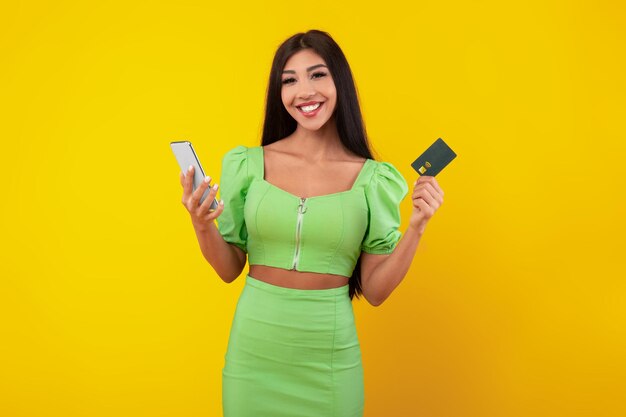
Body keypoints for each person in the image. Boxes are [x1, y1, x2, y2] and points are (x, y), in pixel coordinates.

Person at [179, 29, 444, 417]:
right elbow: (229, 269)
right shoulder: (247, 165)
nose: (304, 91)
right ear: (279, 93)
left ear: (339, 81)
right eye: (290, 80)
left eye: (317, 74)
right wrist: (201, 224)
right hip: (255, 356)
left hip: (330, 362)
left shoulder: (374, 179)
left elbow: (375, 290)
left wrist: (418, 225)